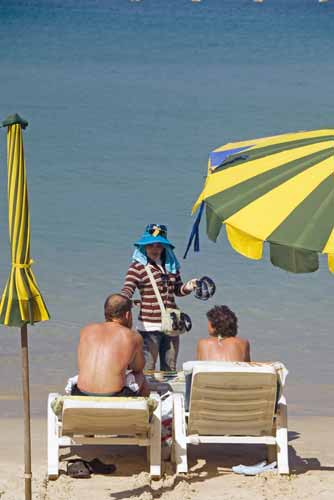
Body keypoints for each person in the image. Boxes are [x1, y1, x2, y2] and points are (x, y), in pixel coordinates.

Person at [121, 224, 198, 371]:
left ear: (164, 247)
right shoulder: (137, 268)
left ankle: (166, 394)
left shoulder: (171, 266)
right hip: (148, 327)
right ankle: (145, 394)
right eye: (150, 245)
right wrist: (122, 303)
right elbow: (127, 290)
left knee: (169, 369)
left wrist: (189, 286)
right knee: (146, 368)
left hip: (172, 325)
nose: (154, 249)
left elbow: (177, 290)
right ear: (144, 247)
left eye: (158, 246)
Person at [73, 294, 148, 396]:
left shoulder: (86, 330)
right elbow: (138, 368)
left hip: (80, 393)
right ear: (127, 315)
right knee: (140, 376)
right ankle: (140, 411)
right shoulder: (132, 336)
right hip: (113, 396)